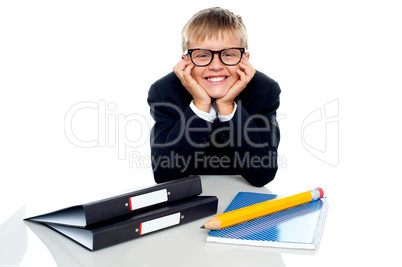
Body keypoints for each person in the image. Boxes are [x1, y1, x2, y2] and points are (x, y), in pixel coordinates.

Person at [147, 7, 281, 187]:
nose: (216, 66)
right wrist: (200, 106)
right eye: (202, 55)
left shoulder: (264, 90)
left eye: (228, 54)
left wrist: (227, 106)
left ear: (245, 59)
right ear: (186, 61)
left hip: (242, 197)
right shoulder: (164, 92)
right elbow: (165, 176)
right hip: (189, 198)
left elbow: (263, 174)